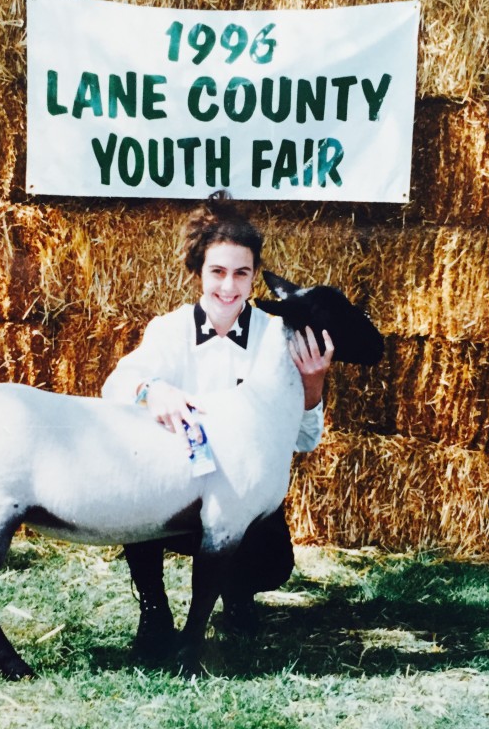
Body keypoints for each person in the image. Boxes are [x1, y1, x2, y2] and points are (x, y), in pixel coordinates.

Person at [100, 191, 333, 658]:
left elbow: (306, 440)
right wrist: (152, 391)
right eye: (218, 272)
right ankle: (154, 609)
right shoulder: (169, 330)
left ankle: (236, 593)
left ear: (253, 278)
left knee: (272, 562)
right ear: (198, 273)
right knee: (135, 495)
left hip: (237, 491)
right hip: (175, 484)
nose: (229, 286)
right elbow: (115, 387)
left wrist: (314, 382)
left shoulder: (276, 334)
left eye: (242, 273)